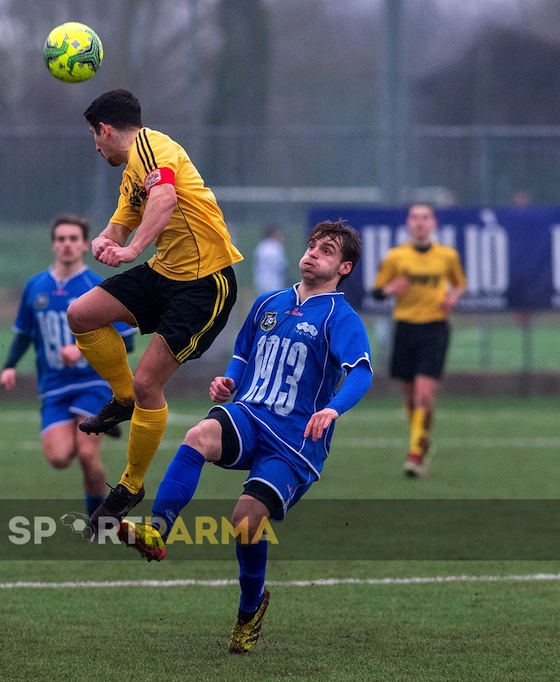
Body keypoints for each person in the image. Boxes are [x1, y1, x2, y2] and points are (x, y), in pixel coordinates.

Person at [117, 220, 372, 653]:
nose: (312, 253)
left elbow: (361, 372)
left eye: (326, 250)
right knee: (198, 435)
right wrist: (229, 382)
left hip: (295, 441)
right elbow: (242, 354)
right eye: (311, 245)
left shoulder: (340, 316)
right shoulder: (270, 303)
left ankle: (250, 607)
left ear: (344, 266)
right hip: (250, 413)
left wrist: (332, 408)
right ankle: (158, 531)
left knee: (245, 522)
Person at [65, 89, 243, 529]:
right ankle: (121, 397)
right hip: (165, 274)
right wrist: (106, 240)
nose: (95, 146)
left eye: (94, 136)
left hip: (205, 284)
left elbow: (164, 200)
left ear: (105, 129)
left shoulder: (155, 147)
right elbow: (123, 220)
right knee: (82, 314)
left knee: (150, 383)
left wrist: (131, 251)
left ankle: (130, 485)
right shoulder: (132, 169)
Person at [0, 214, 135, 516]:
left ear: (85, 244)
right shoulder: (35, 287)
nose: (67, 244)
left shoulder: (98, 286)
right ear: (53, 245)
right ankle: (97, 429)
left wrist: (82, 350)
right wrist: (9, 366)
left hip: (93, 383)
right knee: (59, 458)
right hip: (54, 386)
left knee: (87, 454)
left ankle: (100, 521)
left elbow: (127, 342)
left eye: (74, 238)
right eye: (61, 239)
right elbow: (23, 334)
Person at [371, 202, 466, 478]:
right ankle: (424, 441)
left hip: (435, 328)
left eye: (425, 217)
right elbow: (377, 291)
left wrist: (452, 298)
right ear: (408, 224)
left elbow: (459, 283)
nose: (420, 222)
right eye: (415, 218)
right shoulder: (396, 257)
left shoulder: (447, 256)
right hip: (405, 328)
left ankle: (415, 456)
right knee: (412, 399)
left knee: (425, 394)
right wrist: (391, 289)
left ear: (434, 224)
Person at [252, 225, 287, 294]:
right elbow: (281, 265)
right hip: (275, 279)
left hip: (261, 278)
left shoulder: (261, 246)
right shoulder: (277, 247)